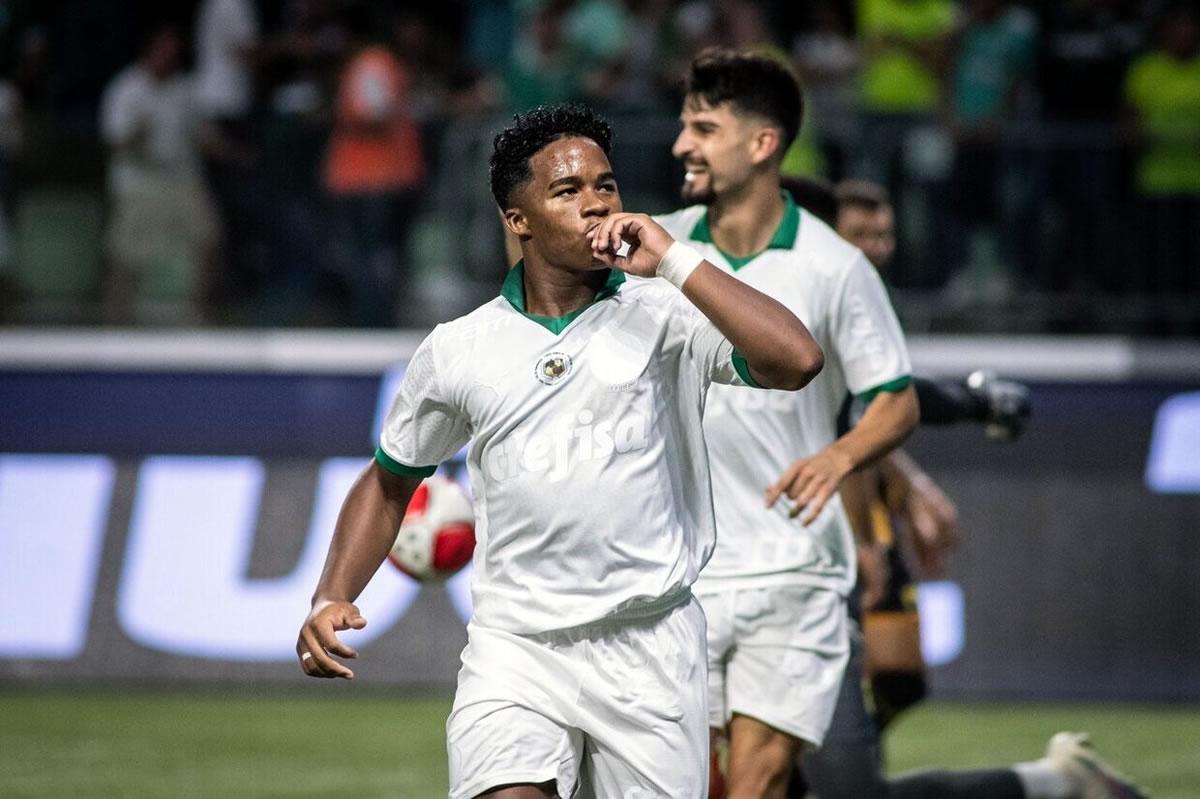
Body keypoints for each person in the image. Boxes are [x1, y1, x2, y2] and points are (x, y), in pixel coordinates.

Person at [295, 102, 824, 799]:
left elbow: (796, 359)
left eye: (605, 185)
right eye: (567, 191)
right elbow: (391, 478)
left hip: (651, 646)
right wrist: (332, 593)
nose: (595, 202)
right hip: (518, 648)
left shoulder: (667, 314)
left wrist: (674, 259)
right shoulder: (460, 349)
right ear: (519, 221)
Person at [792, 176, 1145, 799]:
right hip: (797, 535)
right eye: (860, 235)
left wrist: (898, 497)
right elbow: (850, 413)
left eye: (884, 234)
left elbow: (867, 411)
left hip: (820, 531)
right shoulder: (792, 293)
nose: (874, 248)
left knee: (896, 683)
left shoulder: (842, 295)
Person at [655, 49, 919, 799]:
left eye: (703, 128)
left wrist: (838, 457)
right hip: (681, 573)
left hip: (795, 566)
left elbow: (897, 399)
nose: (682, 145)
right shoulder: (658, 250)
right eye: (683, 126)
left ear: (762, 144)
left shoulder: (834, 267)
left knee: (758, 781)